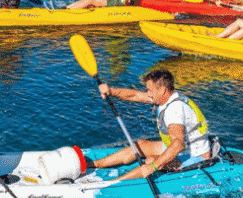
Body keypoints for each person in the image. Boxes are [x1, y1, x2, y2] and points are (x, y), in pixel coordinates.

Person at [87, 69, 218, 180]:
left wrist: (153, 167)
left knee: (151, 160)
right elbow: (134, 95)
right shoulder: (167, 98)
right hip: (184, 148)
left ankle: (115, 183)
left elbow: (178, 144)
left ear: (162, 90)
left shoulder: (174, 110)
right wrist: (110, 91)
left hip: (195, 157)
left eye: (149, 90)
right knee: (141, 145)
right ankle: (96, 164)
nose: (148, 94)